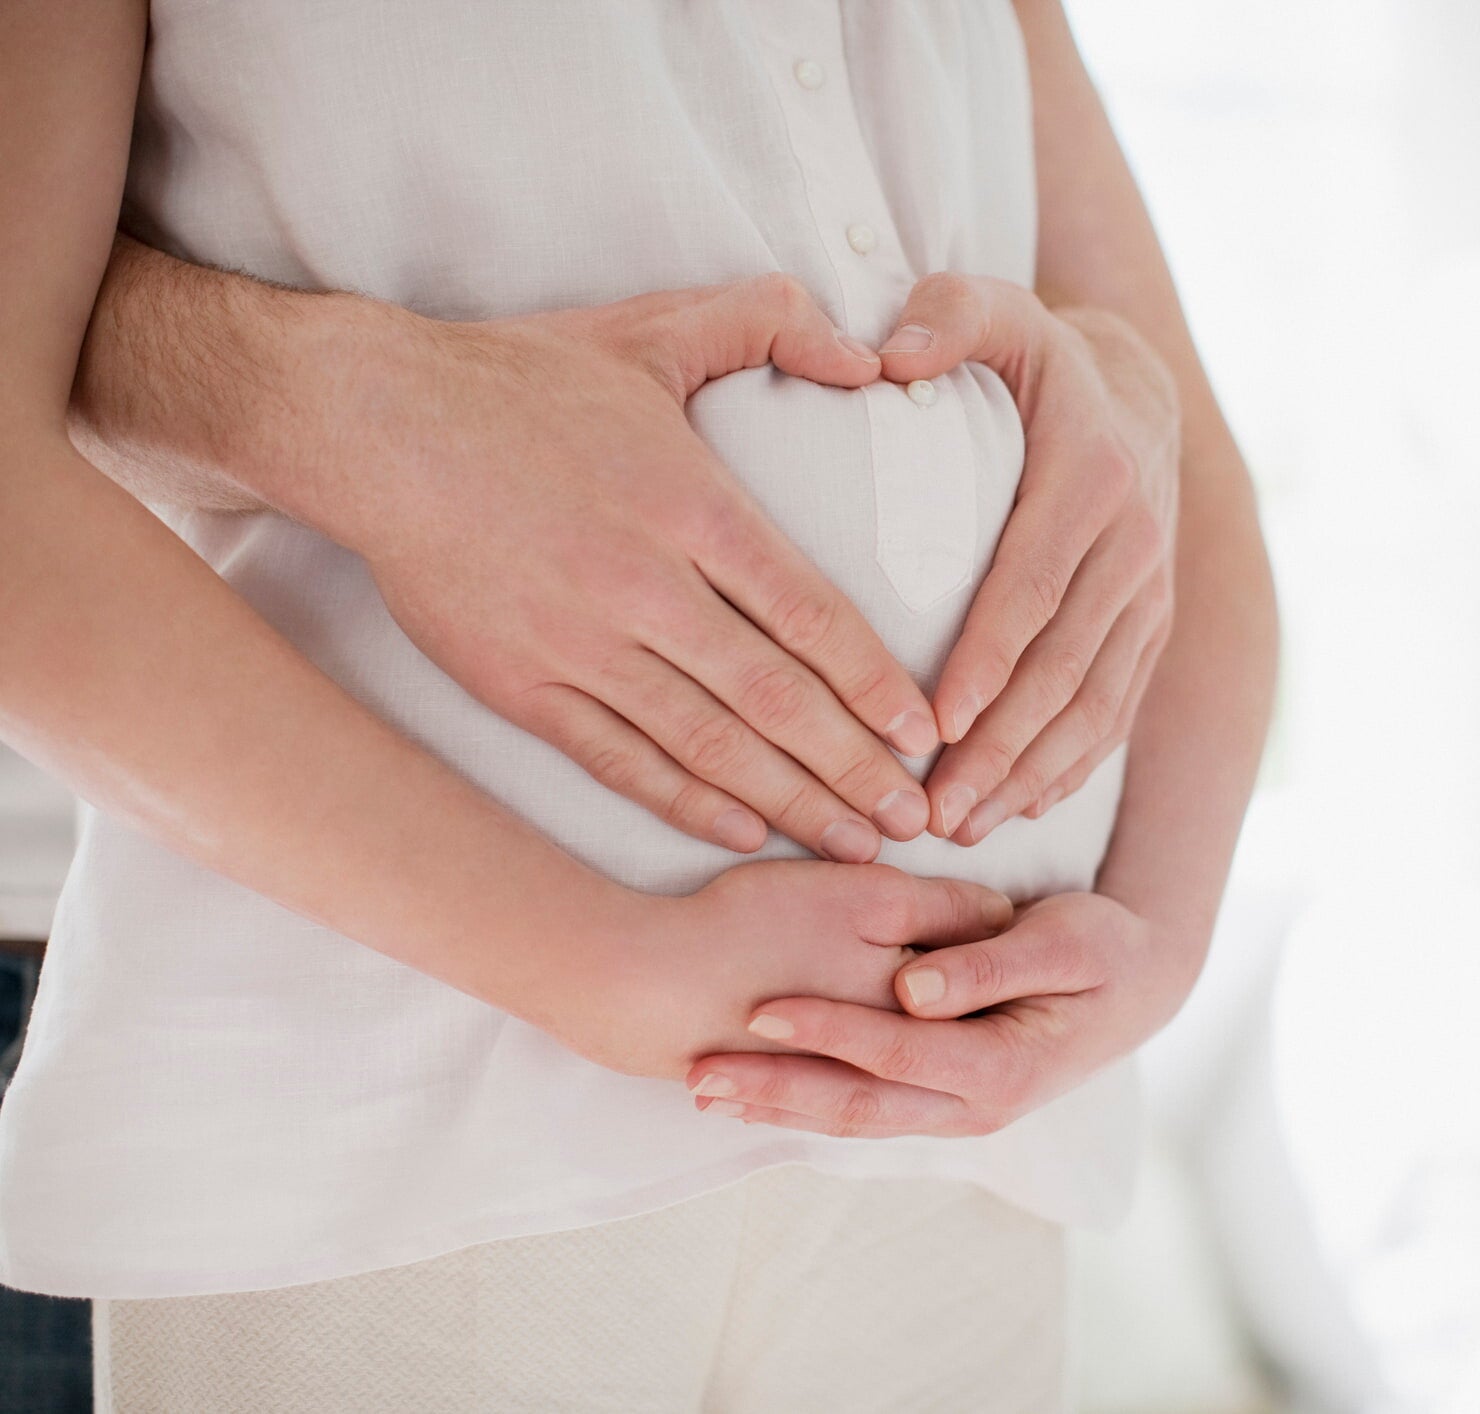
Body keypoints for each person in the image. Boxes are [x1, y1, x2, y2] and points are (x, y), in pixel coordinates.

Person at [0, 1, 1276, 1408]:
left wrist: (1155, 934)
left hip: (968, 1122)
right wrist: (604, 960)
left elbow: (1187, 463)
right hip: (397, 1086)